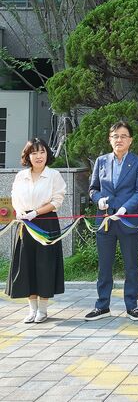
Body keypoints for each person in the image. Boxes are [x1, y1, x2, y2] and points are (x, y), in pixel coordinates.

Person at [85, 121, 138, 321]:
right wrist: (98, 199)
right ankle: (102, 305)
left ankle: (132, 306)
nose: (119, 140)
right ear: (109, 139)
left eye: (123, 136)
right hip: (105, 220)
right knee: (104, 266)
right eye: (115, 136)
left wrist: (124, 208)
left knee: (131, 265)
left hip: (128, 219)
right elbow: (93, 188)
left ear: (130, 140)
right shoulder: (101, 161)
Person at [6, 138, 66, 324]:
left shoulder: (54, 175)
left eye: (42, 152)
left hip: (46, 224)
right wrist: (21, 212)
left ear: (47, 154)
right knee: (27, 264)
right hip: (25, 225)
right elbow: (14, 197)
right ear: (28, 156)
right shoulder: (21, 176)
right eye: (34, 153)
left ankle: (43, 309)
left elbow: (57, 200)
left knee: (44, 265)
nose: (38, 156)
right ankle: (31, 309)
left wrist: (36, 212)